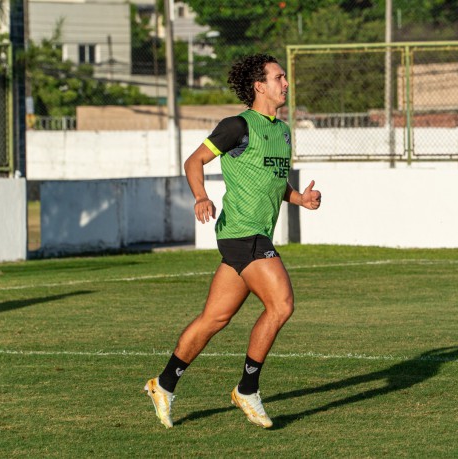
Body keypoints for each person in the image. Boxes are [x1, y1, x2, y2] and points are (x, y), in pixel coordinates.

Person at [143, 53, 322, 429]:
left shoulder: (282, 131)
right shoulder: (237, 126)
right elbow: (193, 162)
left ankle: (164, 383)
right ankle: (247, 389)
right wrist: (201, 196)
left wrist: (299, 199)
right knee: (281, 305)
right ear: (259, 86)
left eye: (284, 77)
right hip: (243, 232)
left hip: (253, 234)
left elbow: (273, 181)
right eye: (278, 77)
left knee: (215, 318)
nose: (286, 83)